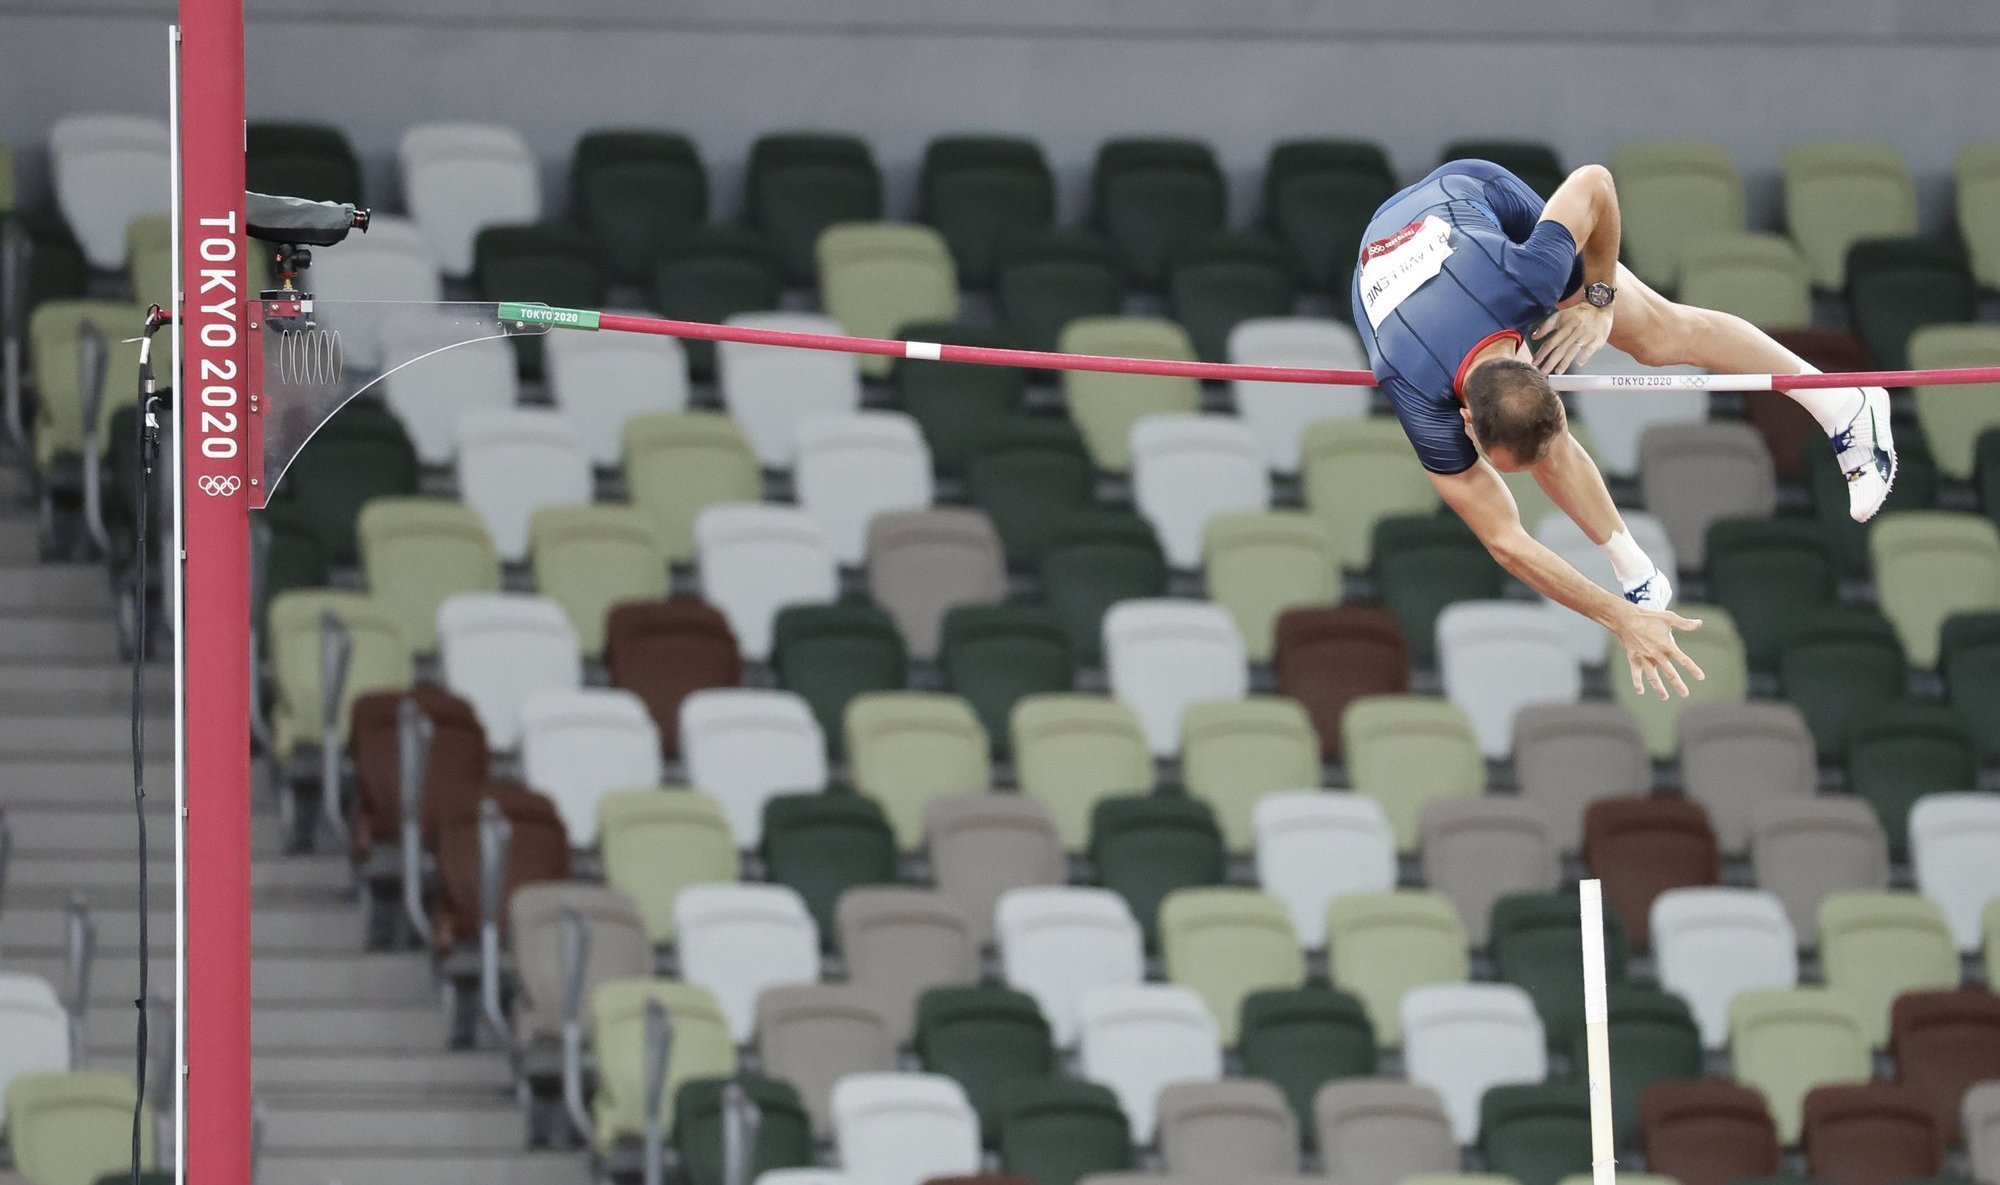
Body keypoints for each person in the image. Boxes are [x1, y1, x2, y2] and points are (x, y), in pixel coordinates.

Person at [1350, 158, 1895, 701]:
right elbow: (1507, 543)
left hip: (1470, 197)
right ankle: (1637, 571)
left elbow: (1594, 182)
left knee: (1659, 336)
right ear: (1464, 415)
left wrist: (1599, 296)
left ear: (1532, 356)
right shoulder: (1418, 393)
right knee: (1542, 438)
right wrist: (1619, 616)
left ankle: (1845, 402)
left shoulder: (1527, 276)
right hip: (1393, 254)